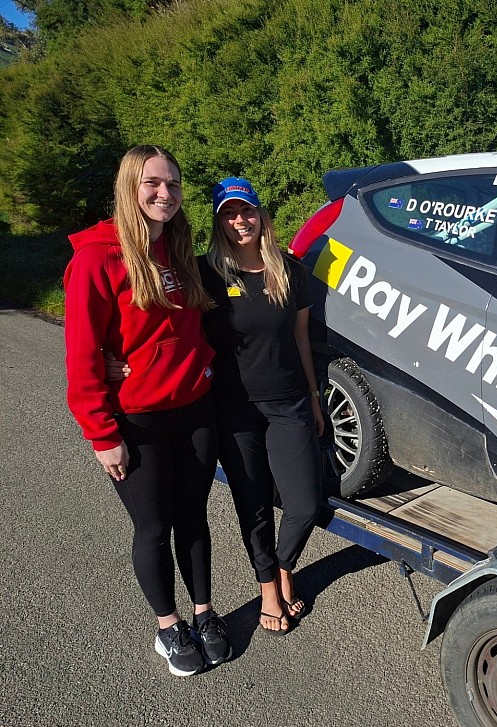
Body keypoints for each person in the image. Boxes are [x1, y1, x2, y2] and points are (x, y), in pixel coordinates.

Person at [64, 145, 232, 676]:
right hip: (137, 420)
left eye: (173, 184)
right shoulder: (97, 258)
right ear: (129, 187)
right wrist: (101, 434)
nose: (165, 193)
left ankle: (204, 613)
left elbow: (190, 328)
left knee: (194, 517)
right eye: (152, 183)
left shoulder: (176, 249)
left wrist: (202, 368)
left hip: (195, 409)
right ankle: (168, 626)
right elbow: (81, 354)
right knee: (154, 526)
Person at [202, 177, 324, 634]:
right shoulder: (206, 273)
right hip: (233, 409)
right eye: (229, 214)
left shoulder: (290, 272)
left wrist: (313, 399)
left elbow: (301, 338)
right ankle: (268, 588)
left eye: (247, 210)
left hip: (289, 402)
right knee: (252, 505)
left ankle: (285, 566)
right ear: (219, 222)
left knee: (304, 504)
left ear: (261, 215)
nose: (240, 220)